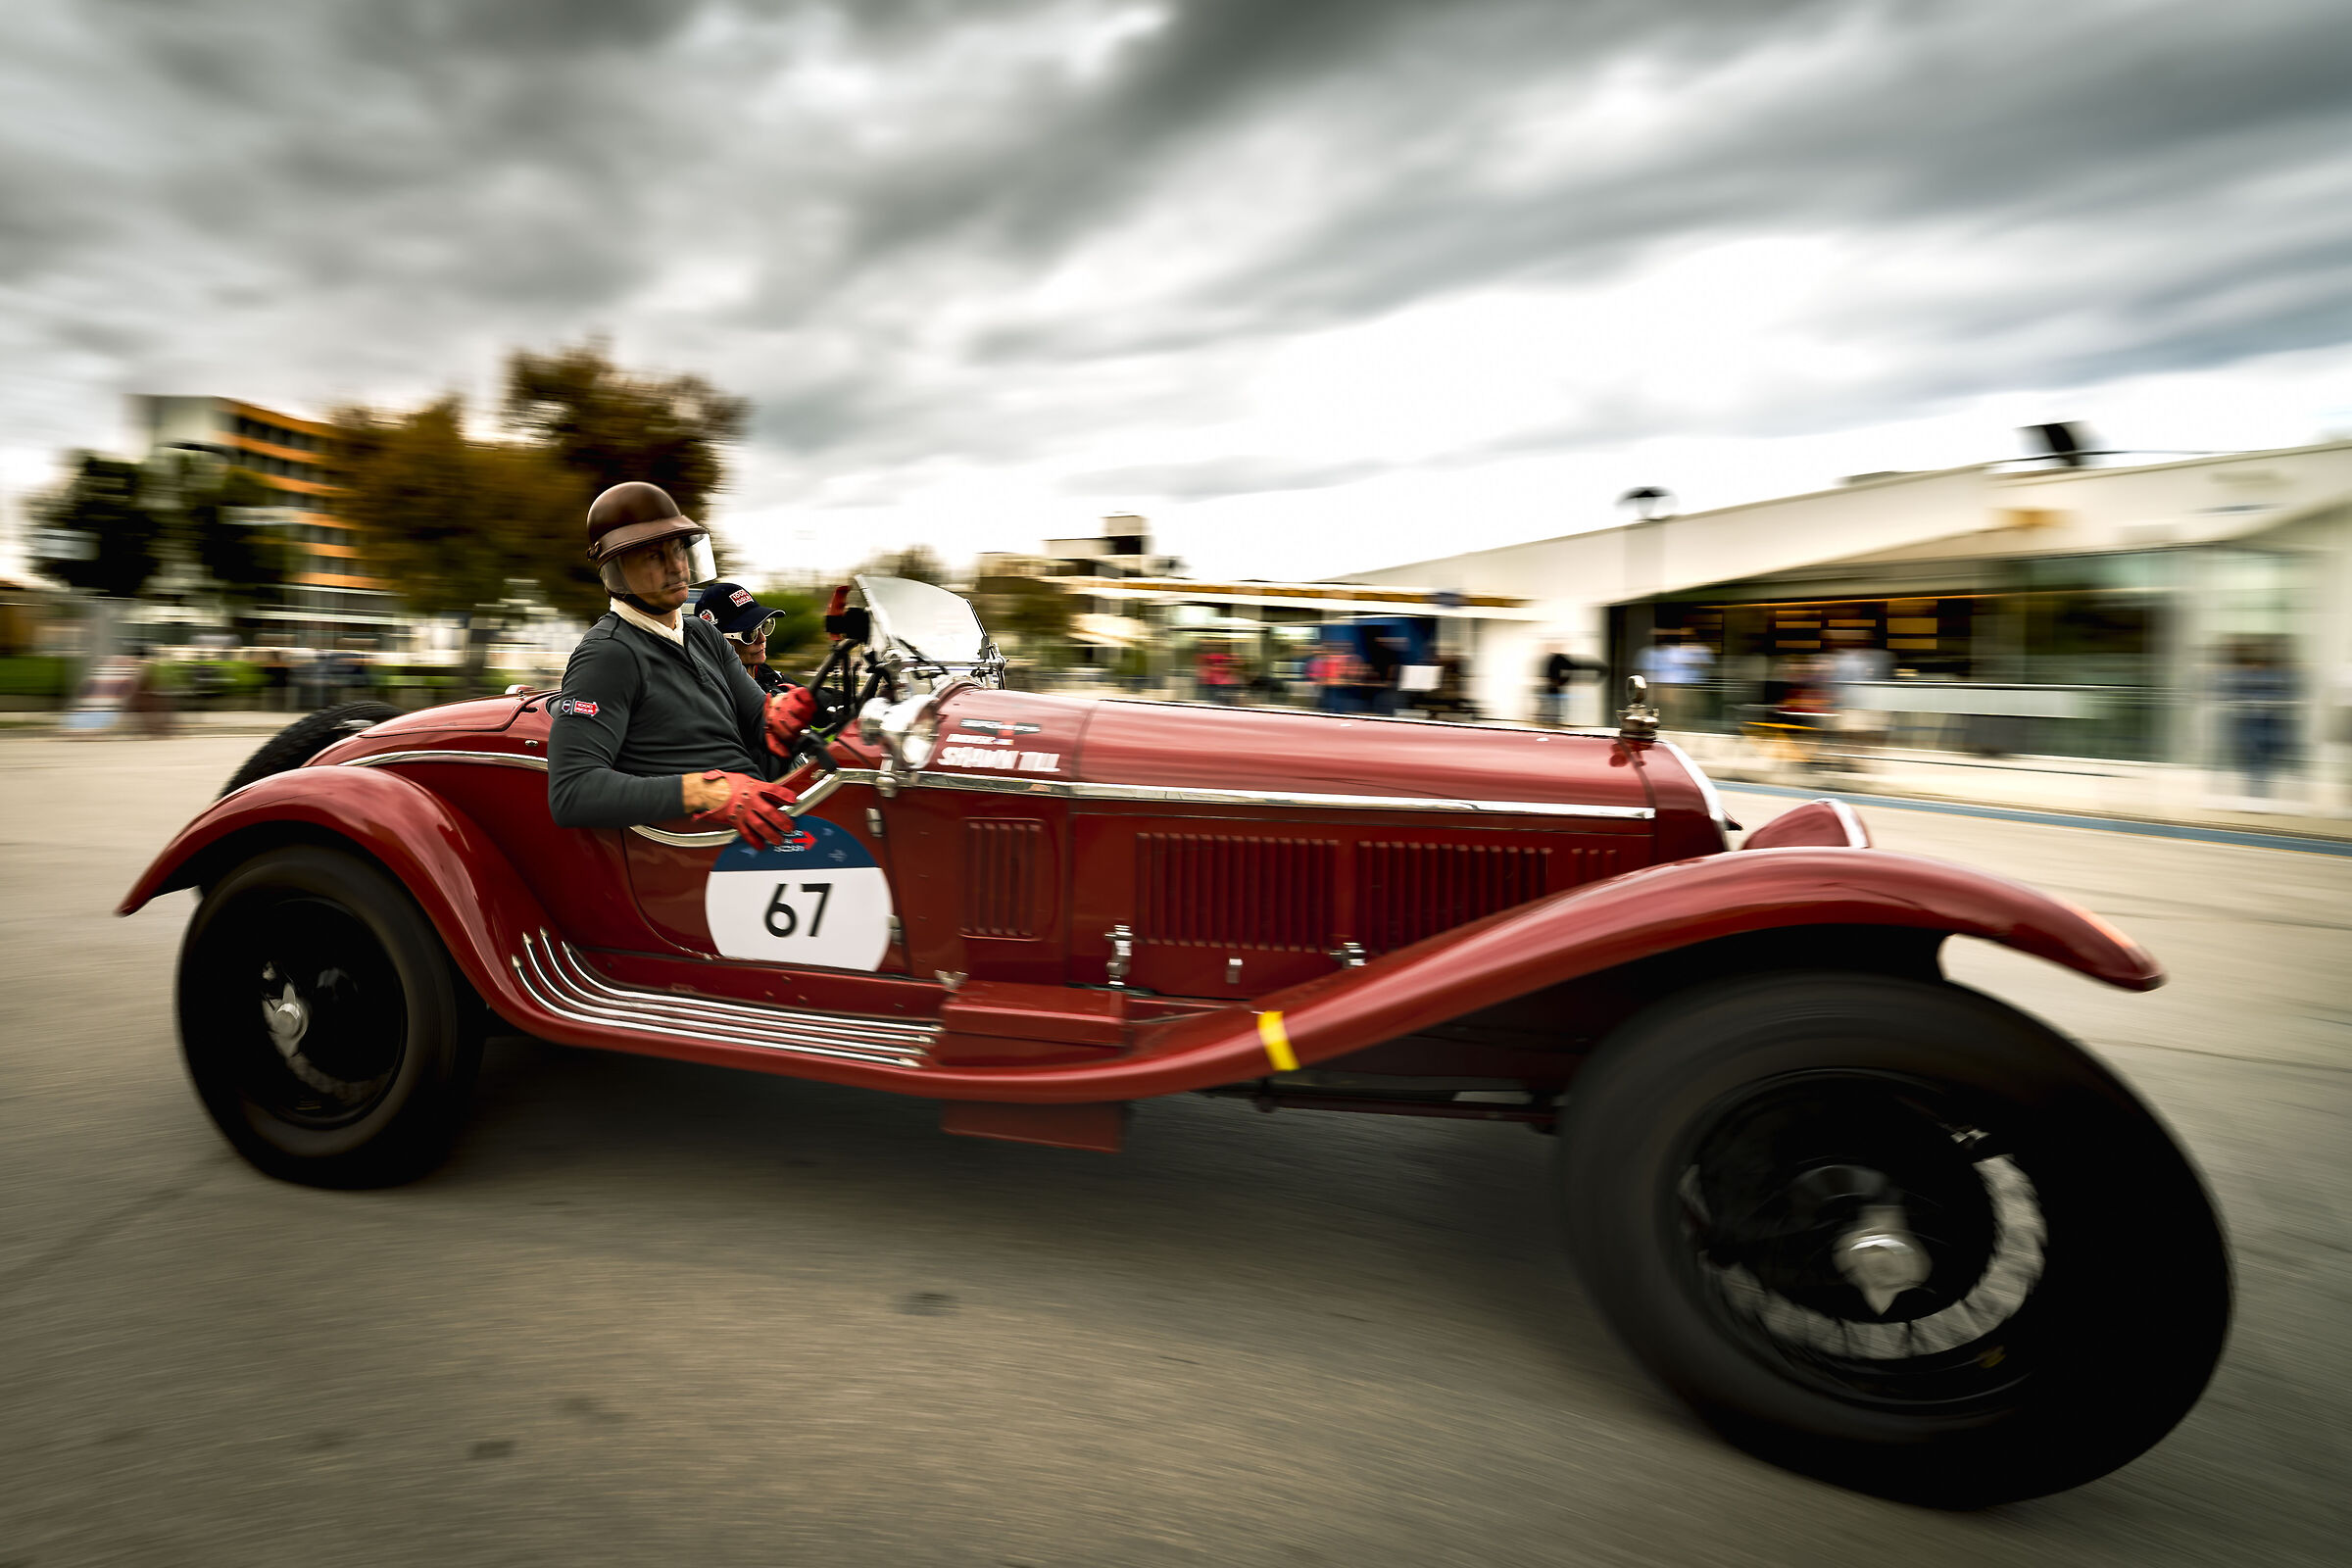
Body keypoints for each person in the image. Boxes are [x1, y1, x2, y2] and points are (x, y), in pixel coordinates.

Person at [548, 482, 816, 848]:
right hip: (699, 846)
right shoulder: (607, 654)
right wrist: (706, 791)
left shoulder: (703, 632)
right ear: (617, 569)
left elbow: (758, 721)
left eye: (678, 549)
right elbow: (572, 792)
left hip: (758, 821)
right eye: (655, 556)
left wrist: (780, 714)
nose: (677, 567)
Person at [692, 580, 793, 695]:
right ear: (716, 642)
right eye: (749, 633)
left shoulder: (772, 676)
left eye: (764, 626)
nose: (762, 639)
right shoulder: (710, 696)